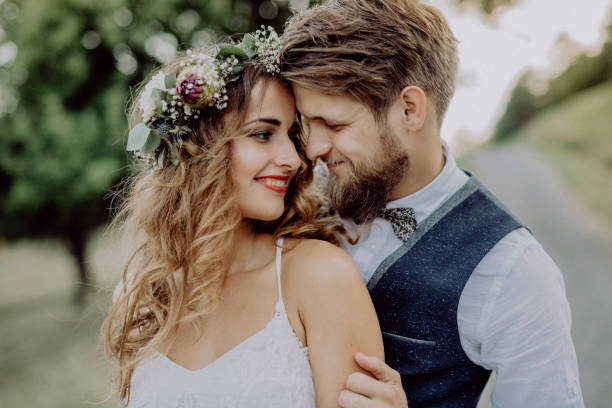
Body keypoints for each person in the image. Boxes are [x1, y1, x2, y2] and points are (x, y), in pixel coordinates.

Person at [280, 1, 583, 407]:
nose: (313, 148)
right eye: (307, 124)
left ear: (409, 109)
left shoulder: (513, 269)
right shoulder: (290, 198)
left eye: (335, 125)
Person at [101, 27, 383, 408]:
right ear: (197, 149)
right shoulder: (141, 296)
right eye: (263, 134)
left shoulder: (319, 277)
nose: (294, 159)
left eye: (291, 136)